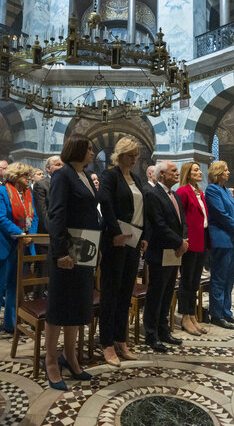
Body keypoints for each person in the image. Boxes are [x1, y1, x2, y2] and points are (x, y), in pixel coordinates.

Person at [44, 135, 99, 390]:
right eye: (89, 148)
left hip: (85, 248)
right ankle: (51, 360)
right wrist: (60, 252)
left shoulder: (85, 176)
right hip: (66, 250)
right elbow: (56, 215)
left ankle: (71, 356)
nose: (93, 152)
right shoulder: (62, 175)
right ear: (76, 150)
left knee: (78, 304)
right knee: (59, 305)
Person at [98, 136, 147, 365]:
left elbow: (141, 210)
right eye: (130, 154)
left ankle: (121, 339)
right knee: (111, 292)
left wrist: (144, 236)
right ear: (120, 155)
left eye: (136, 154)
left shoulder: (136, 179)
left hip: (134, 240)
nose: (134, 158)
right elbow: (106, 204)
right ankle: (107, 343)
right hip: (116, 240)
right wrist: (116, 232)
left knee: (126, 291)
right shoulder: (110, 175)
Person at [0, 163, 37, 343]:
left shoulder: (28, 194)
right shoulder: (1, 192)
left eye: (29, 175)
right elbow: (1, 217)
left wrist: (30, 235)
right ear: (14, 176)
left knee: (15, 286)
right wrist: (20, 235)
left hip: (22, 245)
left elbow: (34, 216)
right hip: (4, 243)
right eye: (25, 175)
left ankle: (11, 323)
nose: (28, 178)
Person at [144, 161, 188, 350]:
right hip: (159, 251)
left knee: (168, 292)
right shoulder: (153, 195)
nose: (177, 174)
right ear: (162, 174)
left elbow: (182, 221)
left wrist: (184, 239)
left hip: (174, 252)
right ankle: (151, 334)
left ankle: (163, 330)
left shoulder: (175, 196)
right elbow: (159, 225)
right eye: (173, 171)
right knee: (156, 293)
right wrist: (180, 242)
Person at [205, 161, 234, 329]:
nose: (228, 172)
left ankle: (226, 311)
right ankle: (216, 313)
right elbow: (221, 214)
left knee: (229, 278)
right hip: (221, 237)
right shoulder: (212, 190)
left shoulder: (225, 190)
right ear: (218, 172)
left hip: (233, 238)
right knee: (219, 278)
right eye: (226, 170)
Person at [177, 162, 210, 335]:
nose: (200, 172)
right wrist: (183, 239)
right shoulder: (183, 191)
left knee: (195, 281)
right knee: (187, 280)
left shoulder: (200, 192)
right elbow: (179, 217)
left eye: (199, 169)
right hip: (190, 241)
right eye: (195, 170)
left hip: (202, 239)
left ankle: (192, 314)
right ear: (187, 174)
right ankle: (184, 316)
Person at [33, 155, 64, 235]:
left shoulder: (68, 184)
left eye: (63, 165)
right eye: (58, 165)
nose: (61, 167)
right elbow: (42, 212)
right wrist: (51, 230)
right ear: (48, 168)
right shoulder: (41, 185)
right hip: (49, 233)